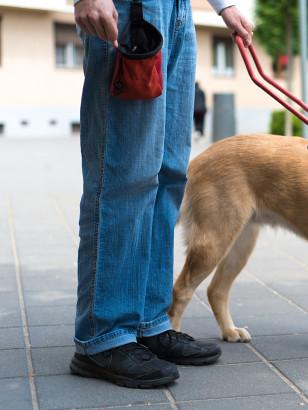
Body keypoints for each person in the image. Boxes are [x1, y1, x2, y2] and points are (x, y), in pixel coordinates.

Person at [70, 0, 253, 388]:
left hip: (178, 12)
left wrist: (224, 5)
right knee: (124, 175)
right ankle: (104, 336)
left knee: (168, 174)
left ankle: (150, 321)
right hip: (130, 9)